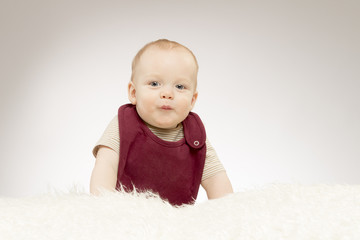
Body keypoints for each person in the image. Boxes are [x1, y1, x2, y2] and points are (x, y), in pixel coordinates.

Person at [90, 39, 233, 206]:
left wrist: (228, 213)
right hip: (126, 214)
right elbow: (106, 165)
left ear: (193, 100)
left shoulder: (194, 135)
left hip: (175, 221)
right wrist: (101, 206)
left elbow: (217, 180)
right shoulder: (124, 125)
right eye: (154, 84)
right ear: (134, 93)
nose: (167, 93)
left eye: (180, 86)